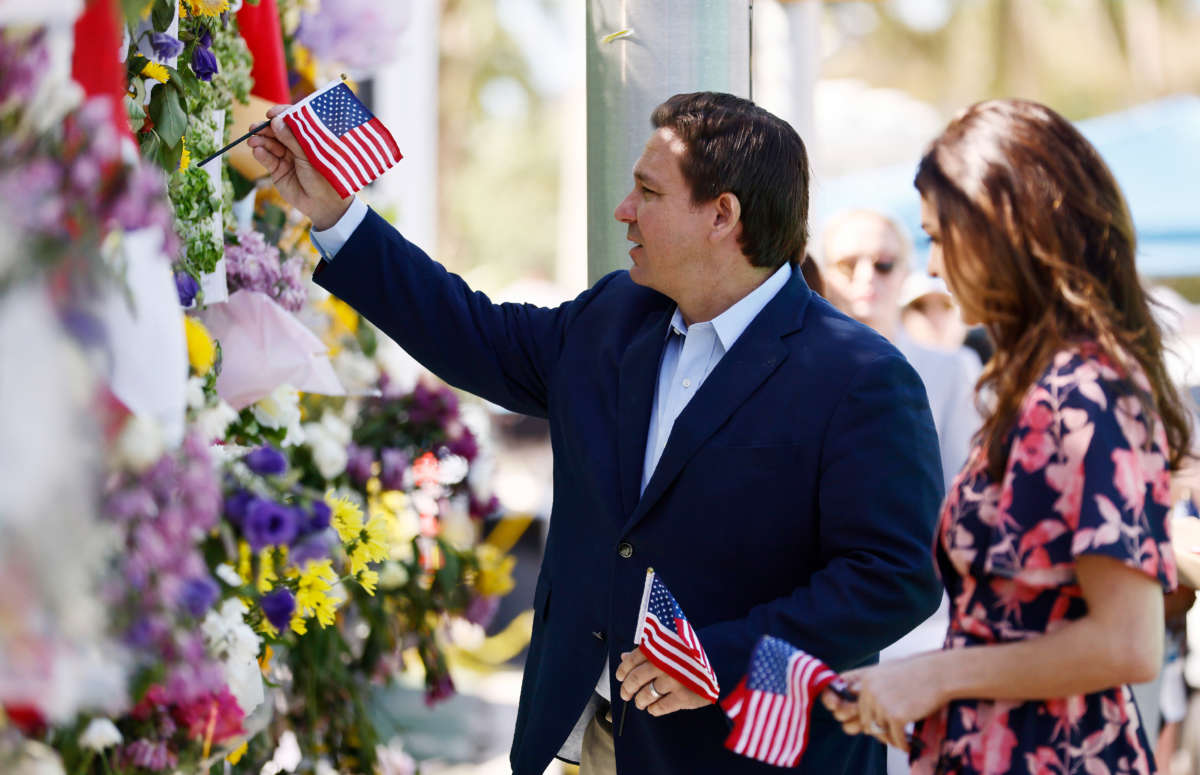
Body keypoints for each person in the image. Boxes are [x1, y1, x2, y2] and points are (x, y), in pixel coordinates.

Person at [249, 91, 944, 775]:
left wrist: (719, 657)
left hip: (752, 751)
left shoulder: (859, 376)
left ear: (722, 215)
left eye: (648, 191)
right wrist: (337, 214)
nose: (624, 210)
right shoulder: (615, 314)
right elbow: (470, 331)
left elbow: (894, 579)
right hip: (606, 743)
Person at [821, 99, 1194, 775]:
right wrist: (927, 695)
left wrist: (937, 677)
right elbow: (1024, 633)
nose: (931, 267)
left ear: (1001, 232)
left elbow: (1128, 641)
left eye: (939, 237)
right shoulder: (1033, 385)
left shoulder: (1086, 390)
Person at [819, 209, 982, 775]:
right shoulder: (790, 364)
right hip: (811, 615)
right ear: (823, 270)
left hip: (918, 617)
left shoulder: (950, 369)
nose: (868, 275)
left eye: (885, 263)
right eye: (849, 262)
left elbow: (966, 500)